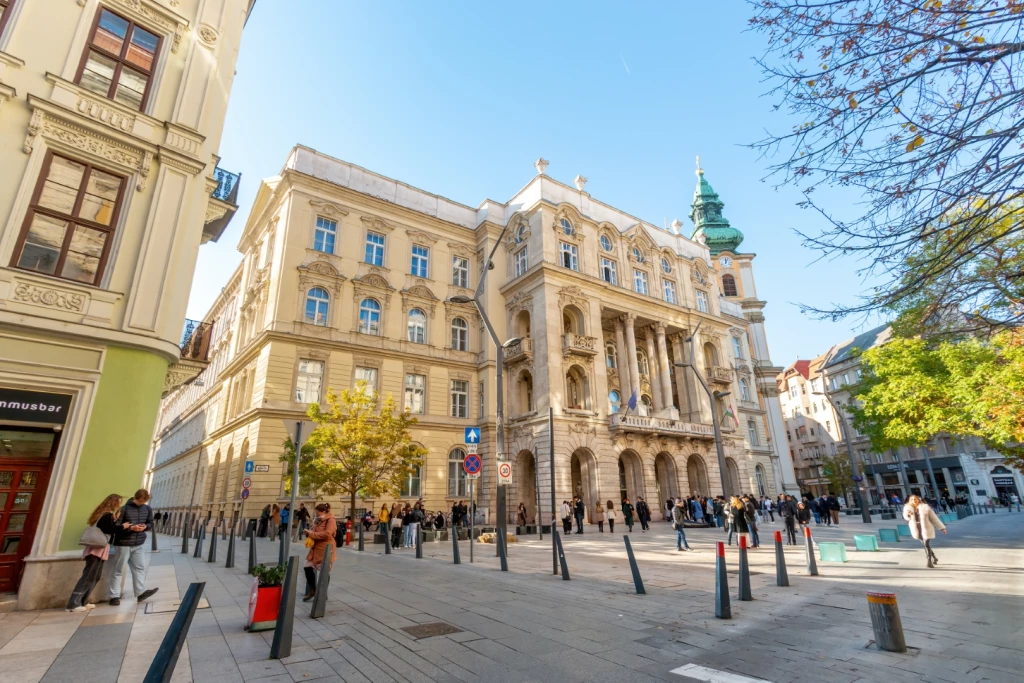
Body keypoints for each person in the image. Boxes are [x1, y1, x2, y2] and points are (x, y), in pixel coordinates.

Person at [67, 494, 122, 612]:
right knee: (88, 577)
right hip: (97, 549)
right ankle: (73, 604)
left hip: (99, 549)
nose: (119, 505)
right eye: (118, 503)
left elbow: (106, 528)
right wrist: (123, 526)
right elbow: (109, 530)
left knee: (94, 576)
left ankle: (83, 601)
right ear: (113, 503)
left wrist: (115, 520)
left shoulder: (102, 514)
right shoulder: (106, 515)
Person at [107, 489, 158, 606]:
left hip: (138, 543)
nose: (142, 503)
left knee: (139, 568)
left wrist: (145, 527)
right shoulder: (124, 509)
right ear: (135, 498)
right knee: (118, 570)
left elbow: (150, 523)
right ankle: (114, 596)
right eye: (140, 501)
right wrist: (131, 528)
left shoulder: (147, 509)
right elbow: (116, 526)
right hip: (123, 543)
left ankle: (140, 593)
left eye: (144, 502)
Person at [302, 503, 337, 602]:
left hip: (325, 548)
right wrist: (308, 533)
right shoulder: (317, 520)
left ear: (323, 511)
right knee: (307, 566)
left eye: (317, 512)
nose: (316, 514)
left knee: (324, 571)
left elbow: (328, 533)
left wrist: (312, 534)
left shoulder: (331, 520)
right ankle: (313, 590)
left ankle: (323, 593)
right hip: (315, 548)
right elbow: (314, 532)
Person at [903, 494, 946, 568]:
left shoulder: (925, 507)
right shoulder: (907, 508)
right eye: (912, 500)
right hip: (916, 528)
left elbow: (934, 518)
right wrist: (908, 515)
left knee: (926, 544)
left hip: (926, 527)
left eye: (915, 499)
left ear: (918, 499)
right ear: (910, 501)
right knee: (925, 545)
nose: (914, 501)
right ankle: (935, 558)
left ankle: (929, 562)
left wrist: (942, 528)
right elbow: (906, 517)